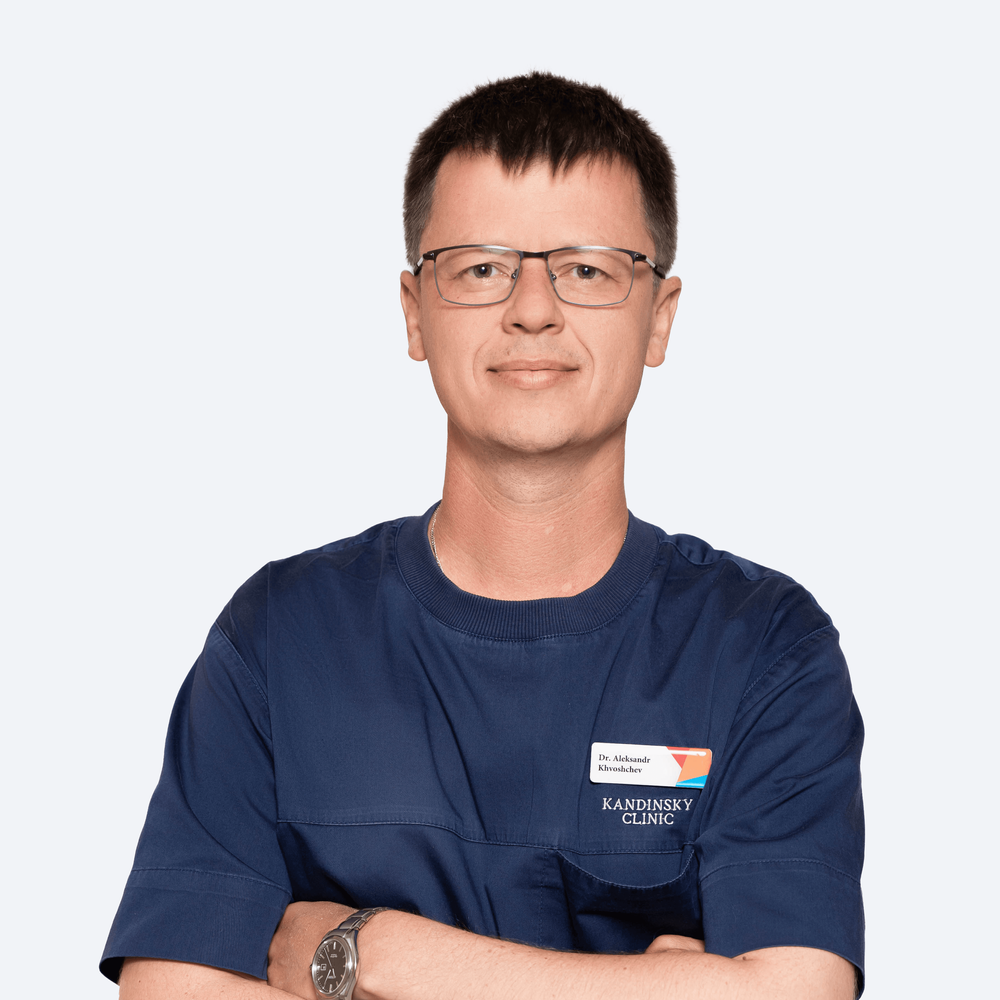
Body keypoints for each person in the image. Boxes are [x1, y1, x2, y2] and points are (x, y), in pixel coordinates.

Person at [102, 72, 864, 999]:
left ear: (658, 319)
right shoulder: (279, 640)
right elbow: (169, 990)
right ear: (414, 312)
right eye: (480, 268)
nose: (532, 309)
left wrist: (371, 950)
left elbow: (794, 992)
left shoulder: (763, 649)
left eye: (587, 269)